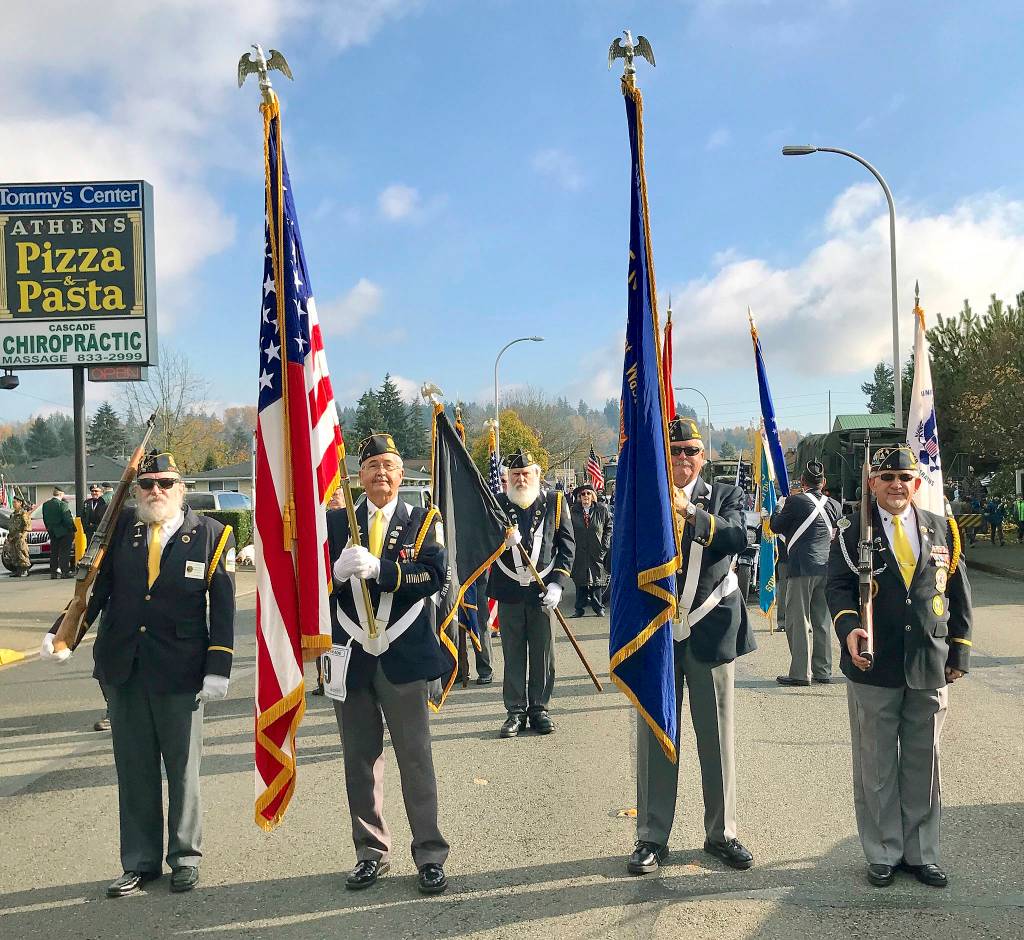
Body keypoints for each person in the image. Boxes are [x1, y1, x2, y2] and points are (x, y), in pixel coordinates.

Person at [40, 451, 236, 897]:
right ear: (137, 491)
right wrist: (63, 634)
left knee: (182, 770)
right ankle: (140, 861)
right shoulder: (120, 531)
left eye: (165, 483)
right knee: (134, 771)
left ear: (181, 488)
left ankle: (185, 857)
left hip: (182, 671)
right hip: (124, 668)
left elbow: (222, 609)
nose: (155, 491)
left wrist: (218, 667)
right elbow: (94, 590)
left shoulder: (212, 534)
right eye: (147, 484)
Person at [827, 445, 971, 889]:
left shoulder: (941, 528)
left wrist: (959, 652)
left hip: (928, 660)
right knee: (877, 765)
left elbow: (957, 592)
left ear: (917, 483)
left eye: (904, 478)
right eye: (887, 477)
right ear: (873, 483)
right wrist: (848, 628)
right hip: (874, 662)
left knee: (923, 764)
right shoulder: (853, 530)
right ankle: (883, 852)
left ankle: (922, 853)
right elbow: (837, 586)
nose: (896, 485)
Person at [629, 418, 757, 876]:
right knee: (657, 737)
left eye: (691, 451)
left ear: (704, 457)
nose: (682, 457)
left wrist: (690, 513)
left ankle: (721, 833)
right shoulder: (645, 498)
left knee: (717, 739)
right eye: (675, 450)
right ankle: (651, 836)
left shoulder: (725, 494)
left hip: (709, 628)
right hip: (658, 634)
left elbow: (740, 536)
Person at [327, 433, 450, 895]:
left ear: (401, 474)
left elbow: (432, 575)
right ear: (359, 475)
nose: (381, 473)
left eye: (389, 466)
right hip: (352, 655)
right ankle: (370, 851)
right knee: (359, 761)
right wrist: (335, 574)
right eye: (373, 465)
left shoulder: (423, 520)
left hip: (403, 655)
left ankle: (430, 854)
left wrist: (383, 570)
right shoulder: (334, 522)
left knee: (415, 759)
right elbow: (311, 586)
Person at [487, 448, 575, 738]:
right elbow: (483, 543)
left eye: (525, 473)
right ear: (508, 477)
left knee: (543, 653)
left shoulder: (555, 502)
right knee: (513, 654)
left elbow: (567, 546)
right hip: (510, 591)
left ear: (536, 474)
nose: (521, 479)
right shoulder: (498, 504)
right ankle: (515, 711)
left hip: (542, 591)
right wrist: (501, 543)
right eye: (515, 474)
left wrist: (558, 583)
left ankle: (539, 708)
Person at [769, 460, 842, 686]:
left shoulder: (795, 501)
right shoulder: (835, 505)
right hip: (826, 566)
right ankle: (823, 670)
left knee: (798, 621)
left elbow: (775, 526)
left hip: (801, 567)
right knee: (822, 621)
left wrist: (778, 507)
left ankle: (801, 673)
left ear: (802, 481)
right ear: (823, 482)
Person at [569, 483, 612, 617]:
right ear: (579, 497)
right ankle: (579, 609)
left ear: (593, 496)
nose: (585, 496)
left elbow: (609, 527)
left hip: (596, 549)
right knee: (580, 580)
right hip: (579, 550)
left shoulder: (601, 509)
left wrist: (604, 546)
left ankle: (598, 608)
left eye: (588, 493)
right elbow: (568, 529)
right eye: (583, 494)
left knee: (597, 580)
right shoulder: (573, 511)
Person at [42, 486, 75, 579]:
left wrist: (49, 528)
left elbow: (45, 519)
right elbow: (67, 519)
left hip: (52, 531)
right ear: (61, 494)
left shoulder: (46, 505)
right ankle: (65, 572)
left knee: (54, 553)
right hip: (64, 532)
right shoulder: (62, 505)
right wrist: (72, 529)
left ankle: (53, 573)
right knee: (64, 553)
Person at [1, 494, 32, 577]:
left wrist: (23, 537)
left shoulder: (23, 514)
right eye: (13, 502)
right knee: (14, 554)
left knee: (22, 553)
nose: (14, 504)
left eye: (15, 502)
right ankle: (18, 570)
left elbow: (27, 526)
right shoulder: (13, 514)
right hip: (13, 537)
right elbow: (11, 526)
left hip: (20, 537)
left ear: (20, 503)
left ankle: (25, 570)